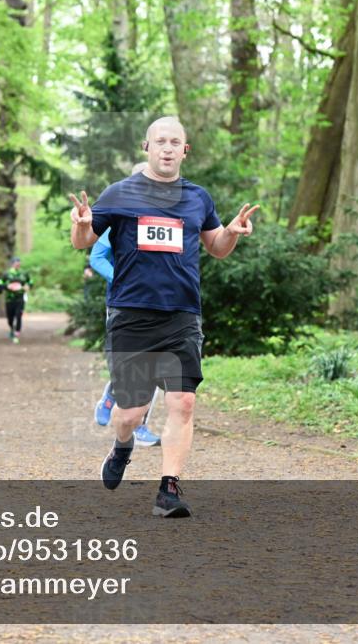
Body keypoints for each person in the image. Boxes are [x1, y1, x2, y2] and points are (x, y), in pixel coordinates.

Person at [69, 117, 259, 517]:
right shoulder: (120, 193)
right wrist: (83, 226)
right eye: (161, 142)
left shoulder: (197, 199)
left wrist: (231, 231)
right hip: (131, 315)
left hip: (182, 314)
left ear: (185, 150)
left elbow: (216, 248)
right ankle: (122, 446)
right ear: (147, 148)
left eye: (175, 142)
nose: (168, 148)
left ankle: (168, 490)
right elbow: (84, 242)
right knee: (131, 413)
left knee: (183, 402)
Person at [90, 162, 161, 448]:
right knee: (129, 364)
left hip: (161, 304)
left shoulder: (168, 218)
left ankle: (141, 425)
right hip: (124, 303)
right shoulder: (119, 219)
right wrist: (122, 279)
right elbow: (96, 257)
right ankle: (112, 394)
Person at [0, 257, 32, 343]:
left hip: (20, 298)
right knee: (10, 317)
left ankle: (16, 333)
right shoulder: (6, 274)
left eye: (19, 263)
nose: (18, 264)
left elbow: (30, 282)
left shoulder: (24, 273)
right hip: (9, 299)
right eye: (16, 263)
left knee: (18, 315)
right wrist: (7, 286)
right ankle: (11, 328)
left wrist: (28, 286)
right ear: (12, 263)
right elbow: (0, 282)